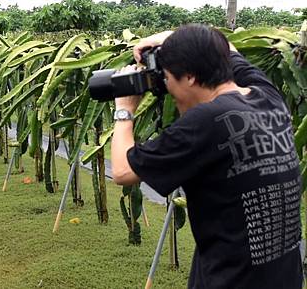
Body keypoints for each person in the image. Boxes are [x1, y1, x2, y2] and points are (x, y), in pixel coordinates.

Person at [111, 24, 303, 288]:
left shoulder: (204, 121)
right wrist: (166, 38)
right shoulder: (268, 96)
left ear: (189, 76)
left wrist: (124, 109)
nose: (167, 87)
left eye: (167, 78)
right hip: (285, 278)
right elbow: (226, 45)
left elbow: (122, 171)